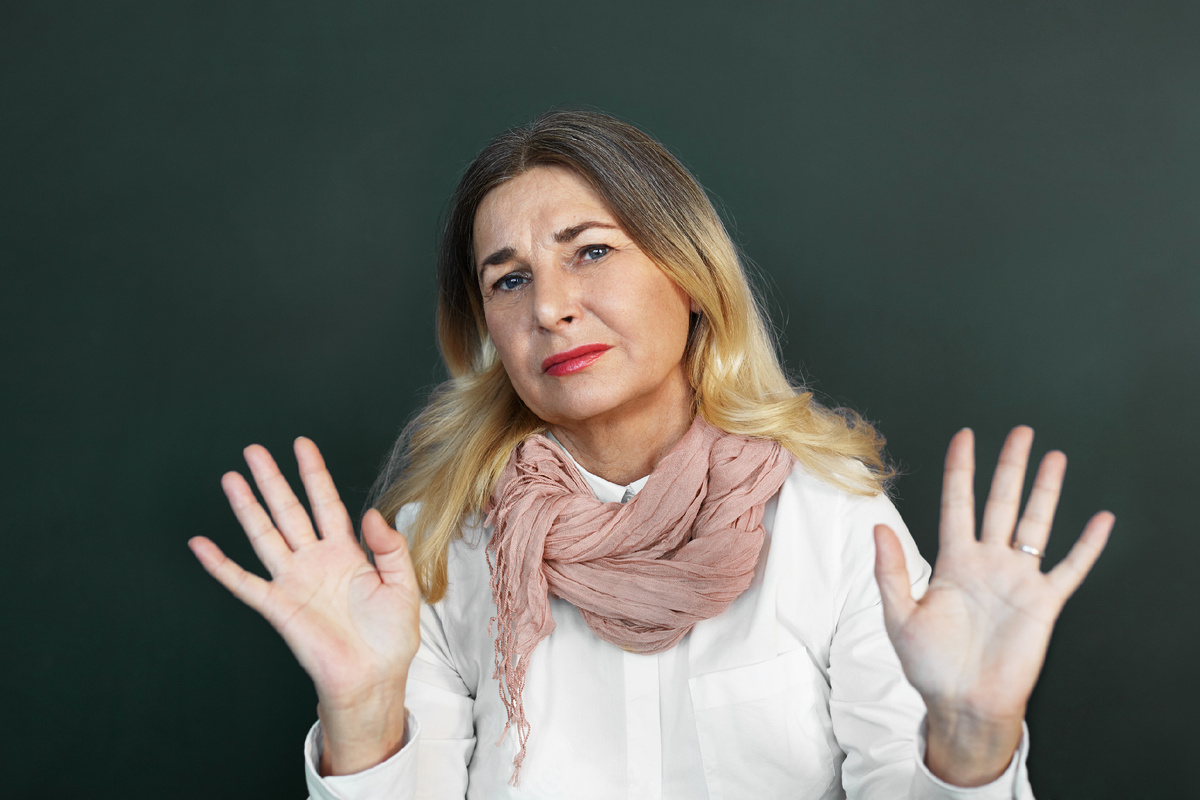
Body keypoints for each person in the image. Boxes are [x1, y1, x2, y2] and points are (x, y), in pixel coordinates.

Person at [188, 111, 1114, 799]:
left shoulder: (831, 522)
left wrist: (972, 737)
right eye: (508, 280)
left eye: (590, 252)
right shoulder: (439, 551)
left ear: (691, 275)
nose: (550, 306)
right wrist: (360, 715)